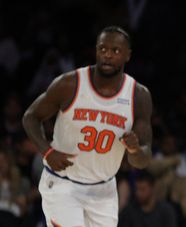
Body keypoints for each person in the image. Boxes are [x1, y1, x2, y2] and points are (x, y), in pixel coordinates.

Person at [22, 26, 153, 227]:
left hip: (104, 189)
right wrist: (47, 152)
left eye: (115, 51)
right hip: (63, 184)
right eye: (102, 49)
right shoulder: (69, 84)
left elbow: (142, 159)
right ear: (96, 51)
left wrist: (134, 149)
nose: (107, 55)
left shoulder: (138, 96)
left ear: (128, 55)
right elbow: (31, 116)